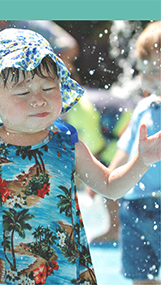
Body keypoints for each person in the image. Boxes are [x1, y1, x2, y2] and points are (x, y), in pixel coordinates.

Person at [0, 28, 161, 285]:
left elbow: (111, 187)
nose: (39, 99)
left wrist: (142, 161)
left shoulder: (67, 144)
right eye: (23, 92)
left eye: (48, 87)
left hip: (58, 271)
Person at [108, 21, 161, 284]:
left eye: (155, 70)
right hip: (135, 206)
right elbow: (125, 148)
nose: (147, 79)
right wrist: (108, 178)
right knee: (139, 274)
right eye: (144, 71)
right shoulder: (143, 107)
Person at [62, 87, 135, 243]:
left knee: (108, 180)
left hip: (127, 128)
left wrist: (91, 177)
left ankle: (115, 230)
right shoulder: (77, 103)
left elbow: (97, 146)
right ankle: (120, 228)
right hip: (123, 127)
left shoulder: (78, 109)